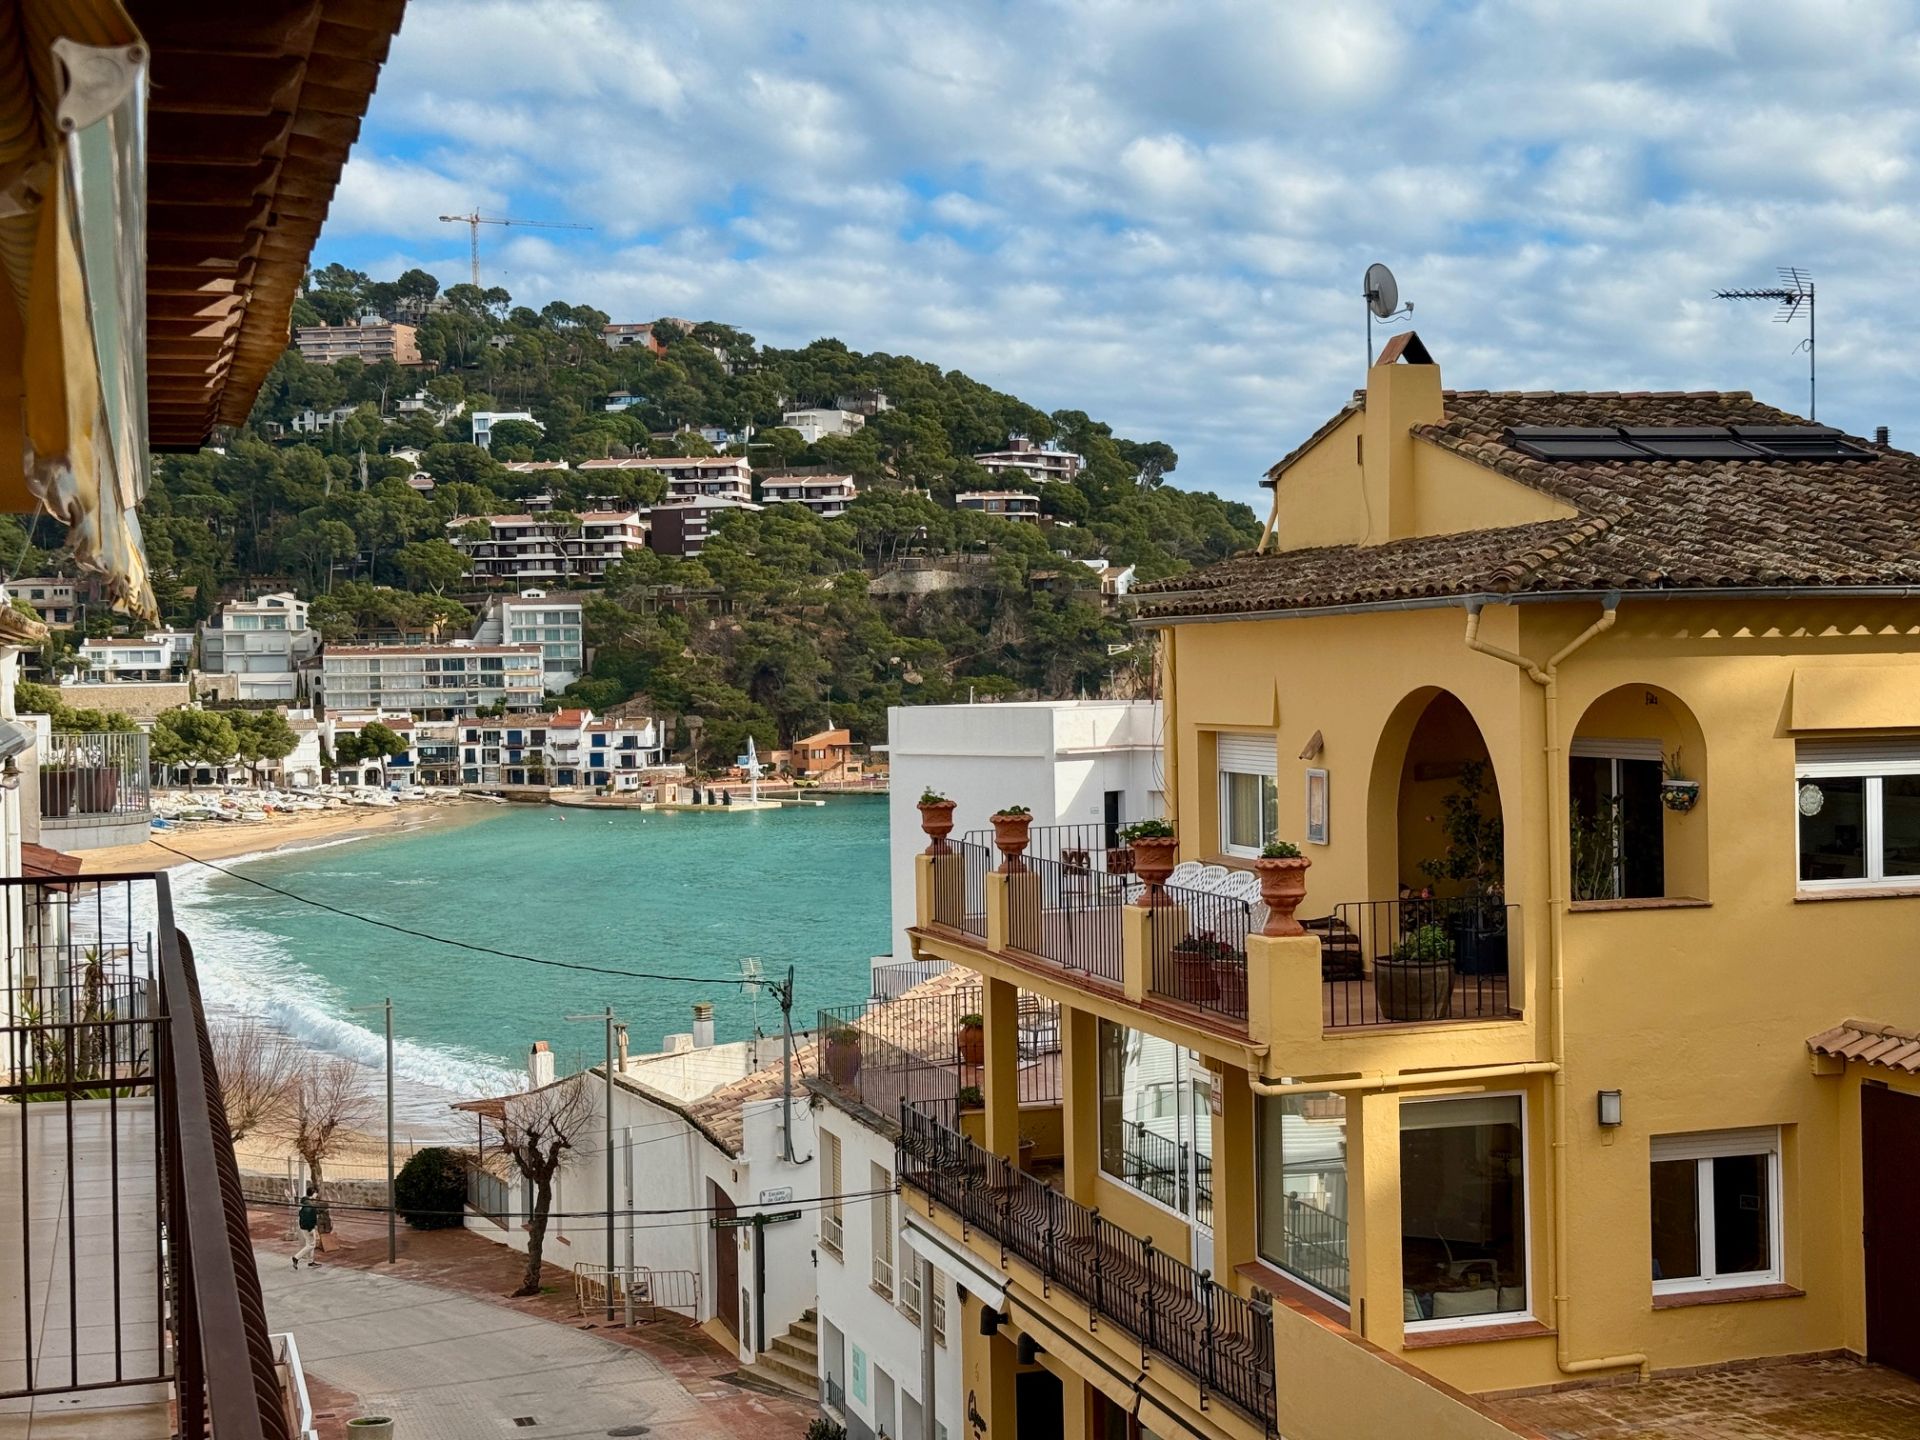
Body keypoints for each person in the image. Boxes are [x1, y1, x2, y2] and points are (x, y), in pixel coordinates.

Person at [294, 1186, 321, 1269]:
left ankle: (311, 1261)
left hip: (303, 1226)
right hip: (308, 1227)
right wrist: (311, 1229)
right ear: (314, 1193)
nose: (317, 1195)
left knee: (309, 1243)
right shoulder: (310, 1205)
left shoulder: (304, 1202)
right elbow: (310, 1218)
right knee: (311, 1245)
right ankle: (296, 1257)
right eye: (316, 1193)